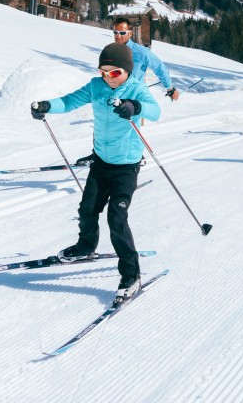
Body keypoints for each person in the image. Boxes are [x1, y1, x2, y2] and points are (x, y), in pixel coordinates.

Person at [30, 42, 160, 303]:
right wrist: (46, 105)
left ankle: (131, 274)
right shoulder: (95, 86)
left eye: (113, 73)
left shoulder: (136, 88)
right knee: (87, 208)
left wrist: (135, 106)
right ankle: (85, 246)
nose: (107, 78)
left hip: (126, 165)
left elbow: (155, 111)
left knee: (116, 217)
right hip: (101, 161)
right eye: (103, 72)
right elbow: (68, 102)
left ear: (126, 71)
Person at [75, 16, 179, 166]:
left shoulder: (141, 52)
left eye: (122, 33)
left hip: (132, 97)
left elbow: (159, 67)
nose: (118, 36)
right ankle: (97, 155)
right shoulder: (113, 52)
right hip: (112, 94)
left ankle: (134, 158)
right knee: (104, 125)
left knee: (128, 128)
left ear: (130, 33)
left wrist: (169, 88)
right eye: (115, 32)